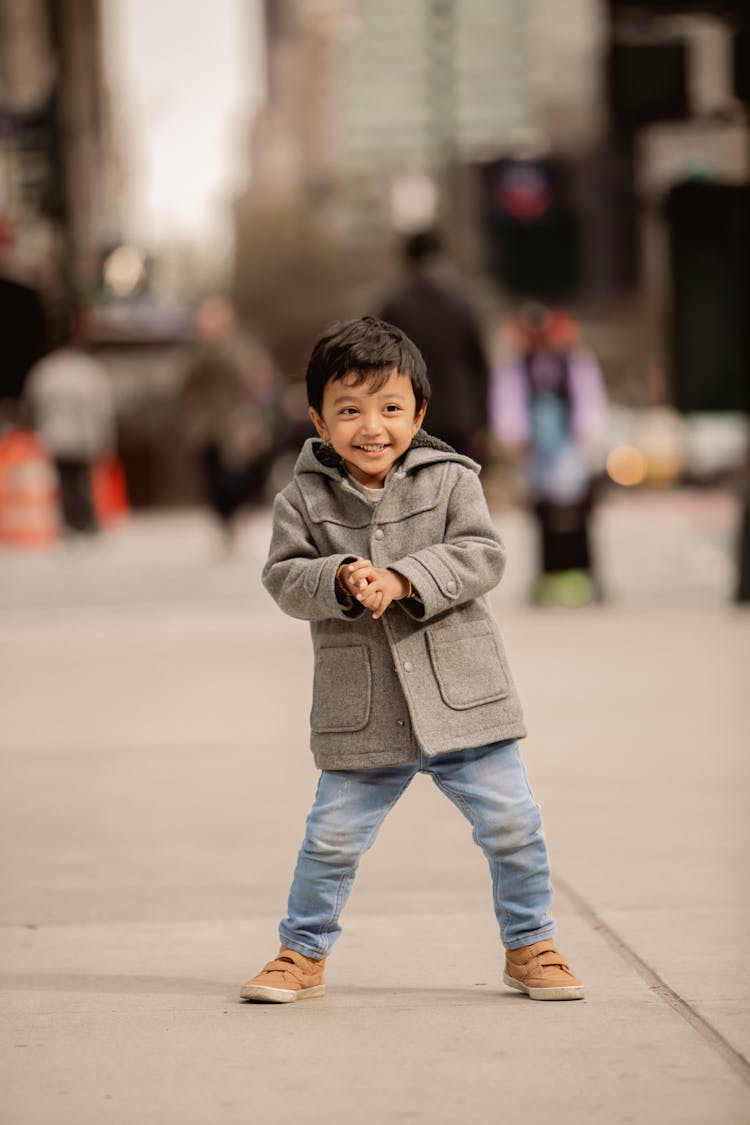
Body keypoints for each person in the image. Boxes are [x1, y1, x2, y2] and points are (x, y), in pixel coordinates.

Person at [240, 316, 584, 1004]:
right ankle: (299, 952)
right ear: (317, 418)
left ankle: (531, 942)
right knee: (332, 838)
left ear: (418, 412)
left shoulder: (452, 479)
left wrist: (403, 578)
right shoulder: (302, 498)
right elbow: (282, 577)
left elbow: (481, 554)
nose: (372, 427)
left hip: (465, 702)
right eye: (349, 409)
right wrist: (338, 576)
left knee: (513, 823)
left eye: (391, 408)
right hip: (363, 713)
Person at [492, 305, 607, 607]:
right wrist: (515, 436)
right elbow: (508, 401)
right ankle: (547, 576)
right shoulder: (518, 365)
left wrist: (586, 434)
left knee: (577, 515)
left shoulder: (575, 362)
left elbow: (590, 399)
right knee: (543, 516)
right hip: (536, 452)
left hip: (571, 448)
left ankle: (584, 574)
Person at [377, 229, 490, 458]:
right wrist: (483, 419)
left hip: (410, 416)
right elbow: (479, 365)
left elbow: (379, 365)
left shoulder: (393, 306)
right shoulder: (463, 302)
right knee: (458, 487)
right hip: (460, 416)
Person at [178, 297, 281, 549]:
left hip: (237, 424)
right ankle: (225, 520)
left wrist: (256, 415)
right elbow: (186, 388)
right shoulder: (196, 353)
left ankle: (237, 513)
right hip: (206, 425)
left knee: (237, 475)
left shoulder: (243, 349)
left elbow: (261, 381)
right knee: (212, 476)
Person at [24, 320, 116, 535]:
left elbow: (32, 404)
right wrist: (106, 438)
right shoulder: (88, 371)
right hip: (84, 434)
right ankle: (87, 521)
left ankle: (70, 521)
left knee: (65, 480)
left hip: (55, 434)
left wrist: (37, 431)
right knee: (83, 479)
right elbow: (102, 407)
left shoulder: (45, 371)